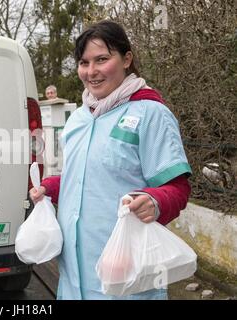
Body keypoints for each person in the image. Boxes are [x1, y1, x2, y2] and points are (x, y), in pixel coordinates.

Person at [29, 20, 192, 300]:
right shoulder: (79, 118)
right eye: (84, 62)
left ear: (126, 59)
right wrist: (52, 188)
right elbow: (83, 176)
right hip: (72, 275)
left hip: (126, 274)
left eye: (102, 59)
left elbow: (177, 189)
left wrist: (154, 202)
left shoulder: (151, 114)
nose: (91, 72)